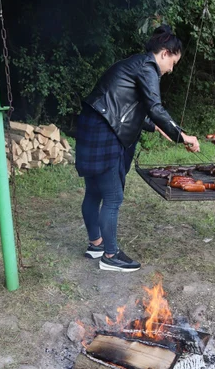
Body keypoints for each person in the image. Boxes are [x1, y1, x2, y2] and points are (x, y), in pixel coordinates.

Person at [75, 25, 200, 273]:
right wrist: (182, 135)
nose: (171, 70)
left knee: (94, 191)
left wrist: (157, 129)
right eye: (173, 63)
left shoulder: (134, 64)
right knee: (112, 196)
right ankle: (110, 256)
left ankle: (96, 245)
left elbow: (125, 106)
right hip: (106, 132)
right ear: (164, 53)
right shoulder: (148, 67)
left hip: (93, 126)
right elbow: (154, 107)